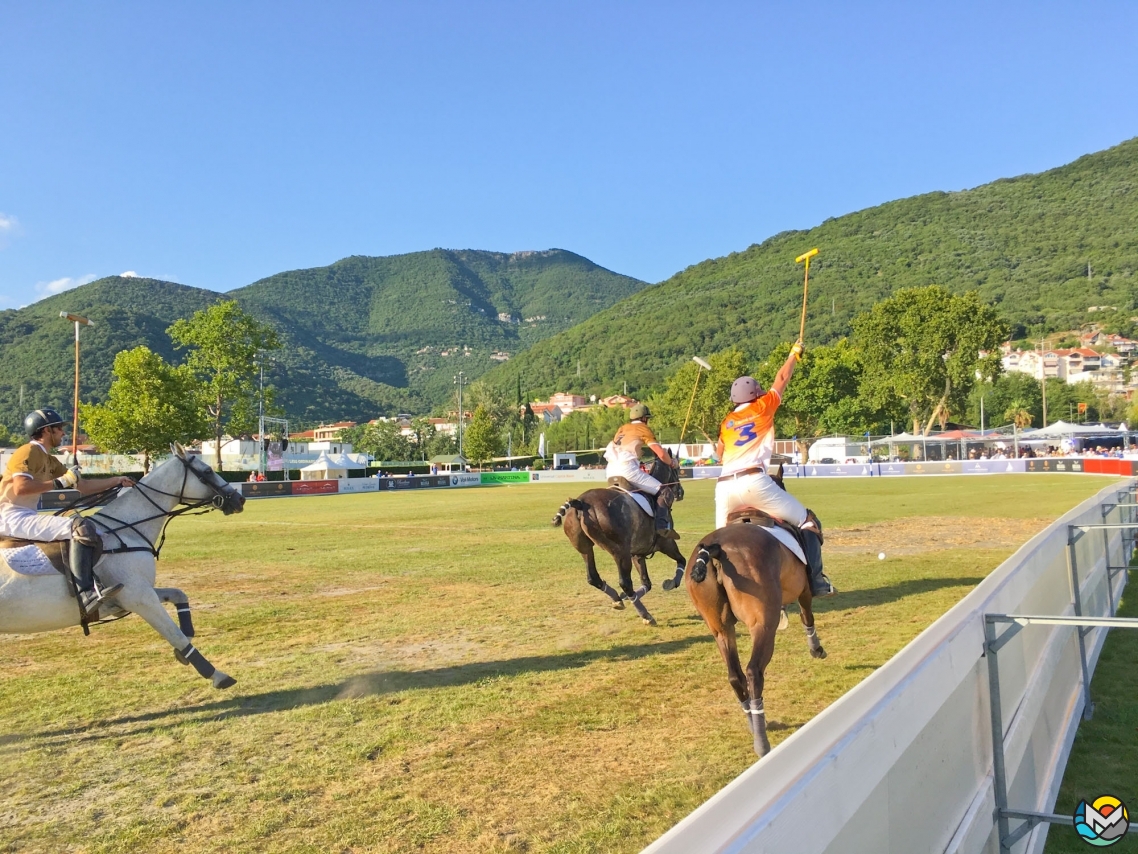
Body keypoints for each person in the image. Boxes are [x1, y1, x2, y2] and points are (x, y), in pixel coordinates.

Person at [713, 343, 836, 597]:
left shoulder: (727, 421)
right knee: (808, 521)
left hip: (724, 487)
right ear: (756, 394)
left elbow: (719, 453)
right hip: (754, 482)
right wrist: (794, 354)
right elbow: (782, 377)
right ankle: (817, 580)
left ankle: (718, 588)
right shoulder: (763, 405)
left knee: (718, 542)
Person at [0, 408, 134, 612]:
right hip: (10, 515)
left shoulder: (50, 460)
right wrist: (59, 483)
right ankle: (86, 594)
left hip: (25, 514)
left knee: (81, 523)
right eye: (59, 429)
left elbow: (84, 486)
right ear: (46, 431)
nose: (63, 433)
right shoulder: (28, 451)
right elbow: (21, 487)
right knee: (81, 528)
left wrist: (116, 480)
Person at [603, 403, 679, 538]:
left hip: (610, 469)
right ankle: (662, 527)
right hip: (627, 469)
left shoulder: (622, 428)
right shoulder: (643, 429)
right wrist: (672, 462)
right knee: (664, 491)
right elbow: (661, 453)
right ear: (644, 418)